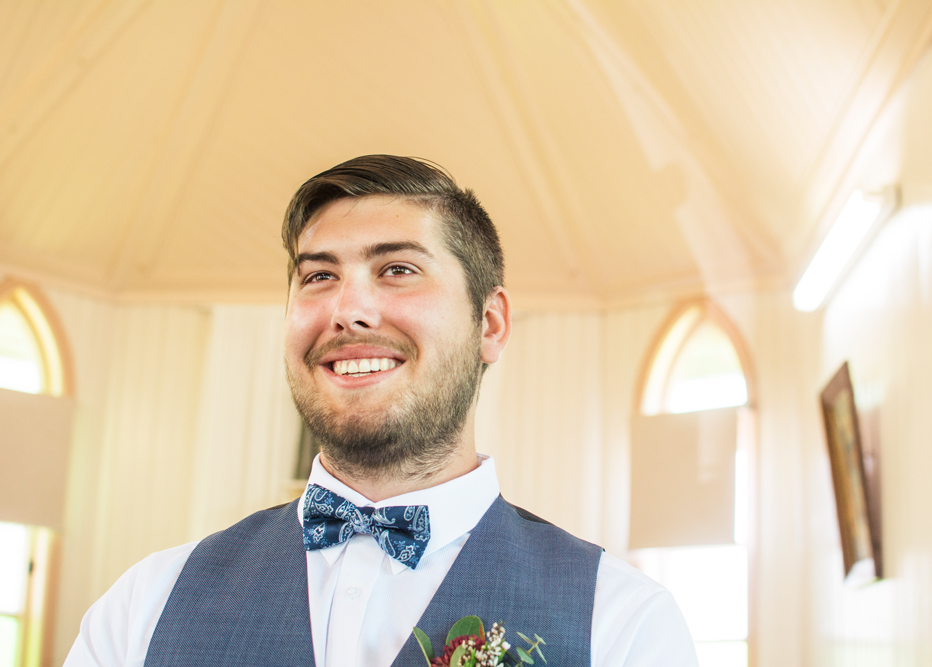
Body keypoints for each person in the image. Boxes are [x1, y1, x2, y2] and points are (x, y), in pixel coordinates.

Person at [65, 155, 698, 667]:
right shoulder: (143, 607)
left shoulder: (622, 623)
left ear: (490, 323)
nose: (349, 311)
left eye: (397, 269)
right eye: (318, 277)